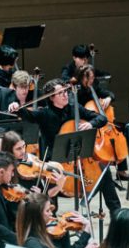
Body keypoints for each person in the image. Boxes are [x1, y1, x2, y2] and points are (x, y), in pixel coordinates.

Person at [18, 78, 122, 214]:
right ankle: (51, 219)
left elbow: (102, 118)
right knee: (50, 188)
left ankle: (117, 214)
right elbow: (28, 115)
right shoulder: (44, 114)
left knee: (104, 173)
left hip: (80, 157)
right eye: (60, 93)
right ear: (51, 98)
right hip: (56, 161)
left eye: (66, 91)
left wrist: (91, 124)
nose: (65, 95)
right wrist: (17, 106)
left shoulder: (75, 107)